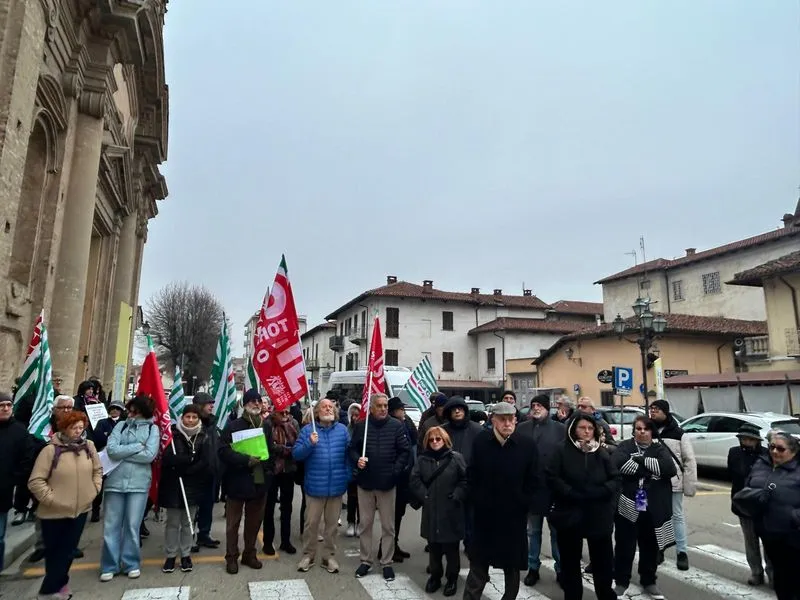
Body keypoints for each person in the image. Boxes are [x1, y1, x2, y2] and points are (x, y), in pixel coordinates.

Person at [463, 401, 537, 600]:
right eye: (502, 419)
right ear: (493, 420)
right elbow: (472, 474)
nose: (507, 423)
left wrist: (524, 502)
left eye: (511, 419)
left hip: (513, 516)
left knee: (511, 565)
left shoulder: (526, 445)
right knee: (479, 564)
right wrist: (477, 499)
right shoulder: (481, 442)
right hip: (485, 515)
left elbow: (534, 479)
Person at [28, 410, 102, 599]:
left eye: (81, 427)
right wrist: (52, 500)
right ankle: (50, 589)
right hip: (53, 512)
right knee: (54, 552)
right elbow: (36, 481)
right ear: (64, 428)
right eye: (74, 428)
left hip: (80, 510)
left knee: (68, 552)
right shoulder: (50, 450)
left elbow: (97, 470)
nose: (78, 431)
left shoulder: (89, 446)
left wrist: (93, 490)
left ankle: (56, 586)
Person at [547, 414, 618, 600]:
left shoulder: (601, 451)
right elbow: (552, 477)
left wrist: (603, 491)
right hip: (570, 512)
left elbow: (615, 478)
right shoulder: (561, 450)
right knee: (570, 562)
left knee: (603, 561)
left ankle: (605, 594)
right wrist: (570, 492)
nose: (587, 432)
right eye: (582, 428)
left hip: (598, 513)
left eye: (590, 428)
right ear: (573, 430)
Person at [611, 415, 676, 600]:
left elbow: (669, 469)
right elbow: (616, 463)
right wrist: (650, 469)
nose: (642, 432)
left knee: (650, 545)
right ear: (634, 431)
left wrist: (639, 460)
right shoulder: (625, 446)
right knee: (624, 545)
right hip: (627, 504)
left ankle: (649, 580)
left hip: (652, 506)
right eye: (638, 428)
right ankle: (621, 581)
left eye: (646, 429)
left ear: (651, 431)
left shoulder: (659, 448)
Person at [349, 393, 410, 581]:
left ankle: (387, 562)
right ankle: (366, 560)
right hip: (366, 483)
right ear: (372, 408)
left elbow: (405, 451)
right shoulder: (362, 426)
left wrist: (395, 471)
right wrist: (357, 460)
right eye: (379, 406)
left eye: (385, 406)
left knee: (388, 526)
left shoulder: (396, 426)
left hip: (387, 484)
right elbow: (352, 449)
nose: (383, 409)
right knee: (365, 524)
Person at [99, 394, 160, 582]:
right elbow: (111, 450)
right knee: (111, 525)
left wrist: (123, 452)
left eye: (135, 411)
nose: (130, 414)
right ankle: (109, 565)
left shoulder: (152, 428)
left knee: (133, 525)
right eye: (130, 411)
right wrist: (137, 447)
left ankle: (131, 563)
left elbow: (149, 455)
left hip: (139, 483)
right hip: (115, 482)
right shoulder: (120, 426)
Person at [292, 398, 351, 574]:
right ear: (317, 412)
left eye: (331, 407)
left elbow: (349, 456)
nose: (328, 409)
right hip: (315, 487)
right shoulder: (308, 430)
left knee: (332, 526)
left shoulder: (342, 430)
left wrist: (347, 476)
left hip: (336, 487)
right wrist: (309, 443)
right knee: (311, 524)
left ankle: (328, 557)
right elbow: (296, 454)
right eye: (324, 407)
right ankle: (308, 555)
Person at [218, 389, 275, 574]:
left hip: (259, 481)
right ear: (244, 404)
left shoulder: (266, 426)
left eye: (258, 400)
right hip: (237, 480)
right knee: (233, 524)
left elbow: (270, 449)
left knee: (254, 522)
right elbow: (223, 451)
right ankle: (231, 557)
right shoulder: (233, 426)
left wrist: (269, 469)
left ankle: (249, 554)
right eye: (252, 401)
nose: (256, 403)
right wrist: (245, 460)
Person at [409, 426, 467, 597]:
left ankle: (452, 578)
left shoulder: (456, 458)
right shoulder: (422, 460)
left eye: (438, 439)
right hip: (431, 510)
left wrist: (457, 494)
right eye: (431, 439)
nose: (435, 442)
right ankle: (435, 576)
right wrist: (424, 495)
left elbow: (465, 480)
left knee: (451, 548)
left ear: (445, 440)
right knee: (433, 547)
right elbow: (414, 479)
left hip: (451, 510)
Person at [743, 430, 800, 600]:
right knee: (780, 581)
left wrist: (793, 517)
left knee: (794, 582)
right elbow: (749, 484)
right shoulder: (762, 464)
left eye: (780, 449)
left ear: (793, 451)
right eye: (772, 447)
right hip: (769, 534)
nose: (774, 451)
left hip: (793, 537)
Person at [516, 393, 565, 586]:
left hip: (553, 490)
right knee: (533, 531)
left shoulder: (560, 429)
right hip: (532, 490)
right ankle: (533, 568)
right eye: (533, 405)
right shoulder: (522, 428)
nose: (536, 408)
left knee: (556, 533)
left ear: (547, 408)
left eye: (540, 405)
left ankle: (560, 569)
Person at [159, 404, 211, 574]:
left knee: (188, 522)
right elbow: (166, 458)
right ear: (182, 418)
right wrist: (184, 461)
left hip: (193, 484)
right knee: (172, 522)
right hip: (174, 484)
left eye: (194, 417)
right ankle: (170, 555)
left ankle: (186, 554)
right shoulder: (172, 435)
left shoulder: (203, 436)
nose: (191, 420)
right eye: (188, 417)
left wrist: (189, 468)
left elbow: (204, 461)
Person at [649, 399, 697, 571]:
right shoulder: (649, 430)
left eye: (656, 409)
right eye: (651, 409)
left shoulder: (679, 433)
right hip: (654, 482)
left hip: (674, 481)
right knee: (656, 517)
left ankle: (682, 552)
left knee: (676, 516)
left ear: (665, 411)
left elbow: (689, 460)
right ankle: (659, 549)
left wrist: (689, 486)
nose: (653, 412)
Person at [727, 423, 772, 586]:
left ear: (757, 440)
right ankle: (756, 572)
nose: (746, 442)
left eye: (750, 439)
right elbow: (732, 474)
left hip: (764, 504)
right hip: (744, 504)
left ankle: (772, 574)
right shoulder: (734, 452)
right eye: (743, 439)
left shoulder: (767, 454)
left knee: (768, 541)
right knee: (751, 541)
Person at [441, 396, 482, 556]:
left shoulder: (477, 430)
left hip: (471, 482)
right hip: (448, 483)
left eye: (460, 408)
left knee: (471, 520)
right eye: (453, 409)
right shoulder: (442, 431)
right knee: (449, 521)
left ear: (465, 410)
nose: (457, 411)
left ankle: (471, 548)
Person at [0, 391, 33, 573]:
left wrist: (12, 479)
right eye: (1, 405)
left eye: (8, 405)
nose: (5, 408)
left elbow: (26, 459)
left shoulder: (19, 431)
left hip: (3, 492)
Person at [263, 404, 299, 556]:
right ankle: (267, 542)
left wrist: (281, 448)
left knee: (287, 507)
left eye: (287, 412)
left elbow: (297, 444)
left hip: (288, 470)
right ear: (274, 411)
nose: (285, 415)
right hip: (272, 470)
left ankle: (286, 541)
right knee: (269, 507)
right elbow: (267, 446)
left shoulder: (293, 423)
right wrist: (283, 449)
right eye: (281, 412)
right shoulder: (267, 424)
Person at [387, 396, 417, 562]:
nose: (403, 411)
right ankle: (387, 547)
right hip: (395, 475)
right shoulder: (391, 425)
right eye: (400, 409)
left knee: (399, 513)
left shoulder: (405, 422)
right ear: (393, 411)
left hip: (405, 475)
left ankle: (394, 544)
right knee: (392, 515)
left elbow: (414, 439)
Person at [192, 392, 222, 550]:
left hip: (211, 473)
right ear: (199, 405)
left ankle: (204, 534)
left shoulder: (212, 424)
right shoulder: (193, 423)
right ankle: (189, 537)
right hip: (196, 474)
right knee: (193, 508)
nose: (211, 406)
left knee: (207, 506)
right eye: (208, 403)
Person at [90, 400, 125, 522]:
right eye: (112, 408)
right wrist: (110, 437)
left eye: (117, 408)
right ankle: (95, 510)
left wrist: (109, 436)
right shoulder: (102, 422)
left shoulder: (124, 423)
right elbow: (98, 437)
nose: (114, 410)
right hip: (104, 457)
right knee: (99, 484)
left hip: (119, 458)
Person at [345, 402, 362, 537]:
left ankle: (361, 522)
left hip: (363, 468)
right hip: (350, 467)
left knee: (362, 499)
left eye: (358, 415)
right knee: (351, 498)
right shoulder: (347, 429)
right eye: (353, 415)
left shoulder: (365, 429)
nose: (355, 418)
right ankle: (351, 522)